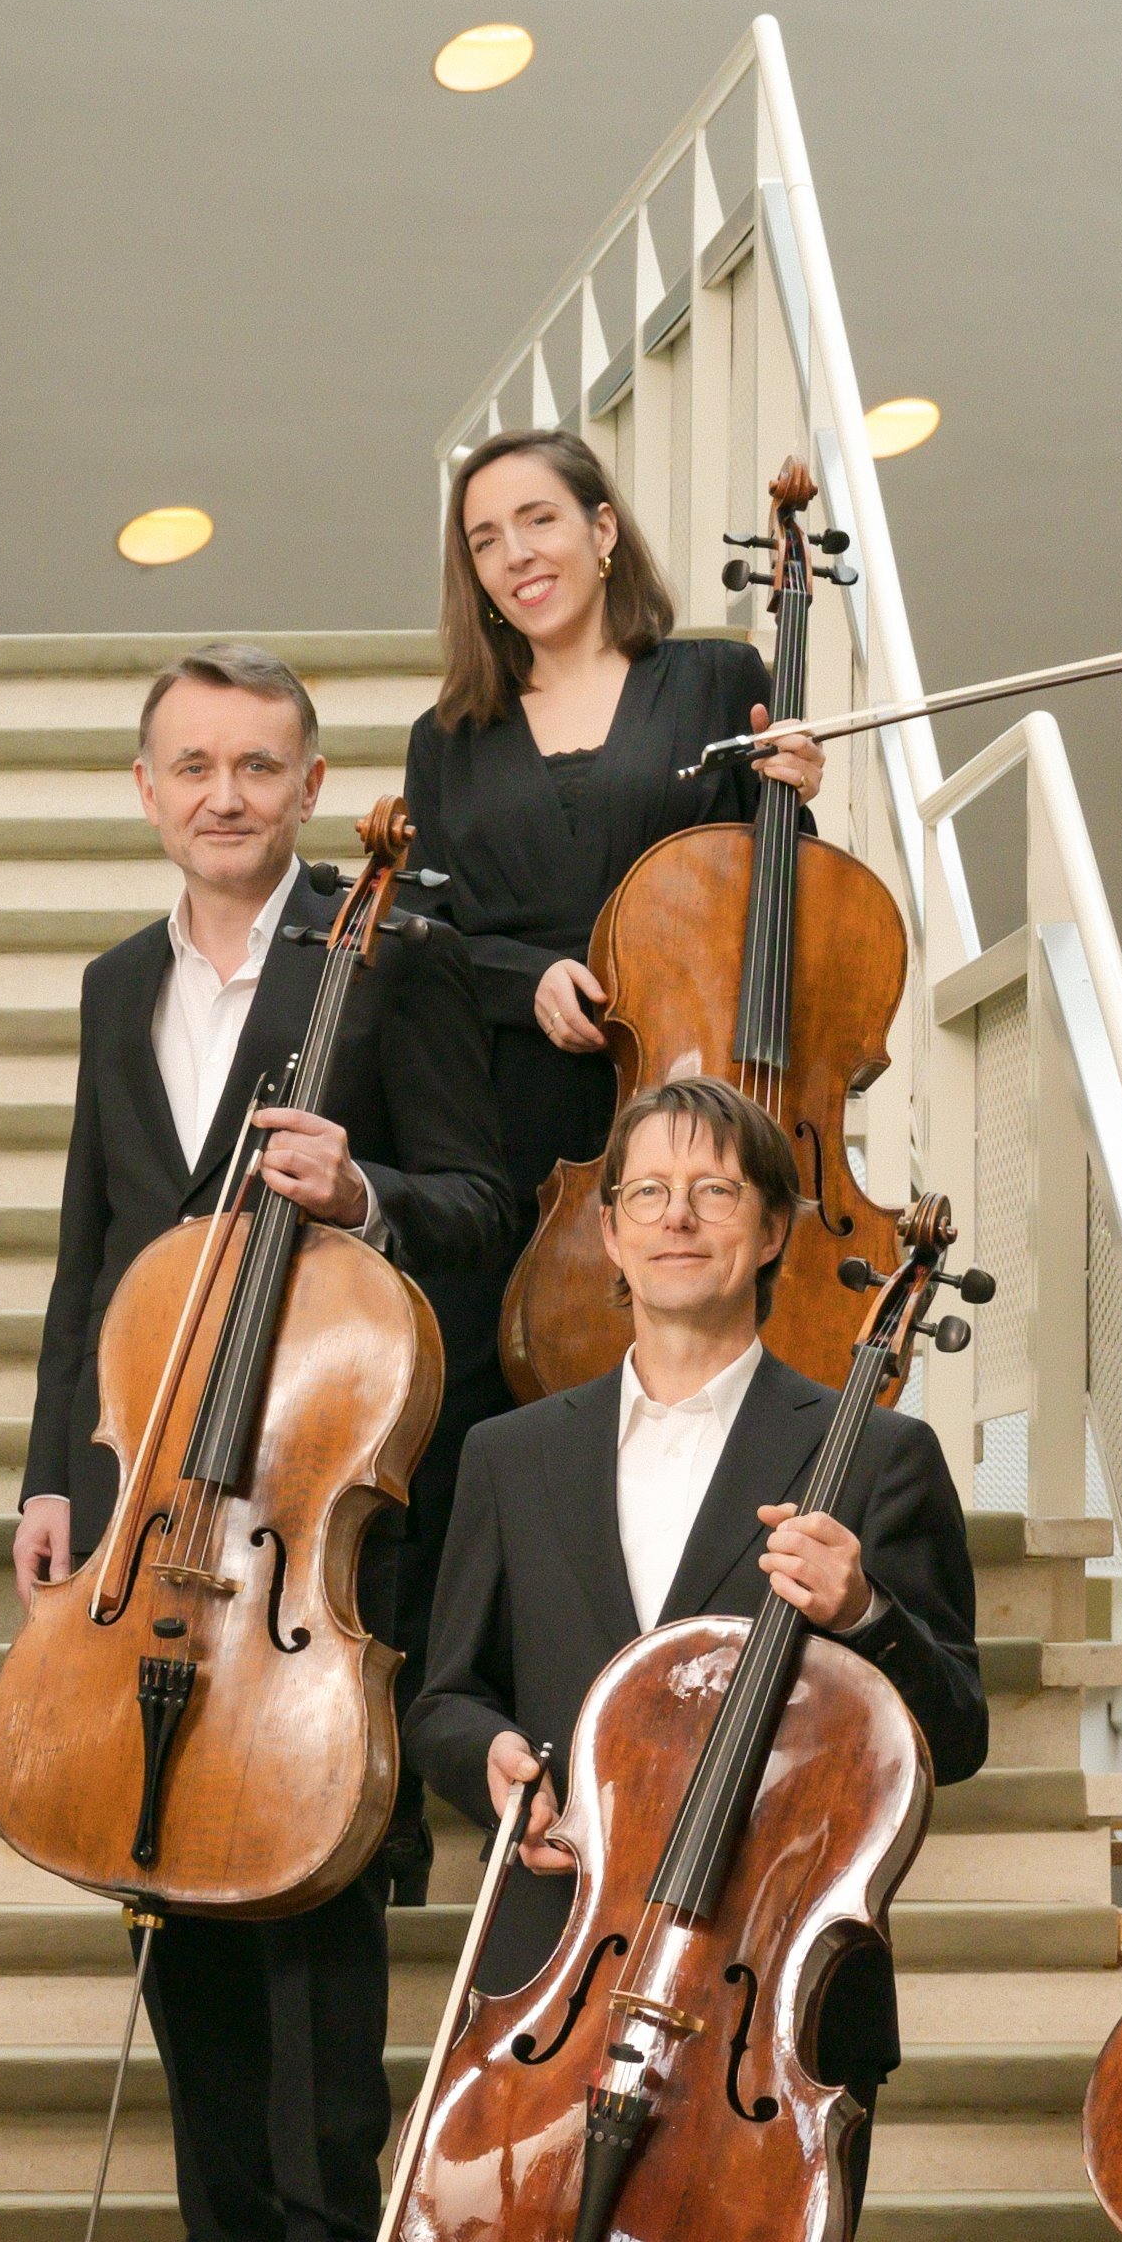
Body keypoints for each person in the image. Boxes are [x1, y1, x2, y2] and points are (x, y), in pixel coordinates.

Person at [405, 1074, 989, 2242]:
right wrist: (503, 1771)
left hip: (772, 1988)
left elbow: (949, 1728)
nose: (674, 1215)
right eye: (643, 1188)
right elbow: (445, 1694)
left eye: (712, 1190)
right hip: (569, 1949)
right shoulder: (512, 1451)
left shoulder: (867, 1456)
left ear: (769, 1226)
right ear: (601, 1225)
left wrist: (870, 1613)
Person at [15, 648, 508, 2242]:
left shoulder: (391, 952)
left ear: (310, 788)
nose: (222, 792)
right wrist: (53, 1479)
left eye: (257, 764)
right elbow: (97, 1258)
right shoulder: (108, 987)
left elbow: (484, 1196)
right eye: (191, 763)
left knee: (306, 1884)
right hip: (151, 1492)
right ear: (147, 788)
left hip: (308, 1491)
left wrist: (364, 1188)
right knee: (161, 1862)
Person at [390, 426, 821, 1510]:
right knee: (507, 1396)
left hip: (689, 1089)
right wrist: (517, 980)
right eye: (483, 540)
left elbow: (772, 901)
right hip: (517, 1106)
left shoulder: (716, 677)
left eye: (537, 520)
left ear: (600, 528)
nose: (515, 555)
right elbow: (426, 930)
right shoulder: (448, 734)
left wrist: (794, 804)